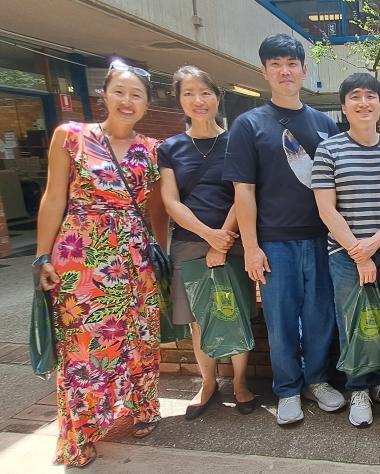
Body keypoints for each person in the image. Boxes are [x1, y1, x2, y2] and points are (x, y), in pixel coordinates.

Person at [34, 60, 167, 467]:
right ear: (104, 94)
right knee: (85, 346)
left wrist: (160, 256)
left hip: (134, 260)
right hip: (82, 258)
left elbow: (155, 210)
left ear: (145, 104)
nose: (127, 101)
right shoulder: (71, 137)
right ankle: (81, 432)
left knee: (138, 337)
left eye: (136, 95)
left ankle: (141, 407)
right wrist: (43, 254)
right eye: (120, 92)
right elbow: (53, 197)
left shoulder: (150, 150)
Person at [223, 34, 344, 425]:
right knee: (280, 318)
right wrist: (252, 246)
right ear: (264, 71)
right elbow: (244, 192)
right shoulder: (248, 125)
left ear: (304, 71)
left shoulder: (324, 123)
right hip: (275, 243)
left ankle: (317, 381)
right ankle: (287, 389)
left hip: (322, 239)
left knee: (320, 315)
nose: (285, 70)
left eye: (291, 63)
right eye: (275, 63)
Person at [157, 65, 256, 420]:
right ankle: (208, 382)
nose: (198, 100)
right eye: (189, 93)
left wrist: (223, 238)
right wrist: (207, 234)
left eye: (205, 93)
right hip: (188, 242)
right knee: (199, 318)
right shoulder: (170, 148)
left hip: (233, 240)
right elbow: (171, 201)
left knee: (236, 311)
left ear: (218, 97)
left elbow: (242, 194)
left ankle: (241, 381)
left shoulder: (237, 142)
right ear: (180, 100)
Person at [311, 73, 380, 428]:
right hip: (345, 256)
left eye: (370, 96)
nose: (363, 102)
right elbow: (326, 208)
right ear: (343, 106)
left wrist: (377, 243)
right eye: (355, 96)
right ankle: (358, 389)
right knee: (352, 323)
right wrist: (359, 252)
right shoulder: (329, 149)